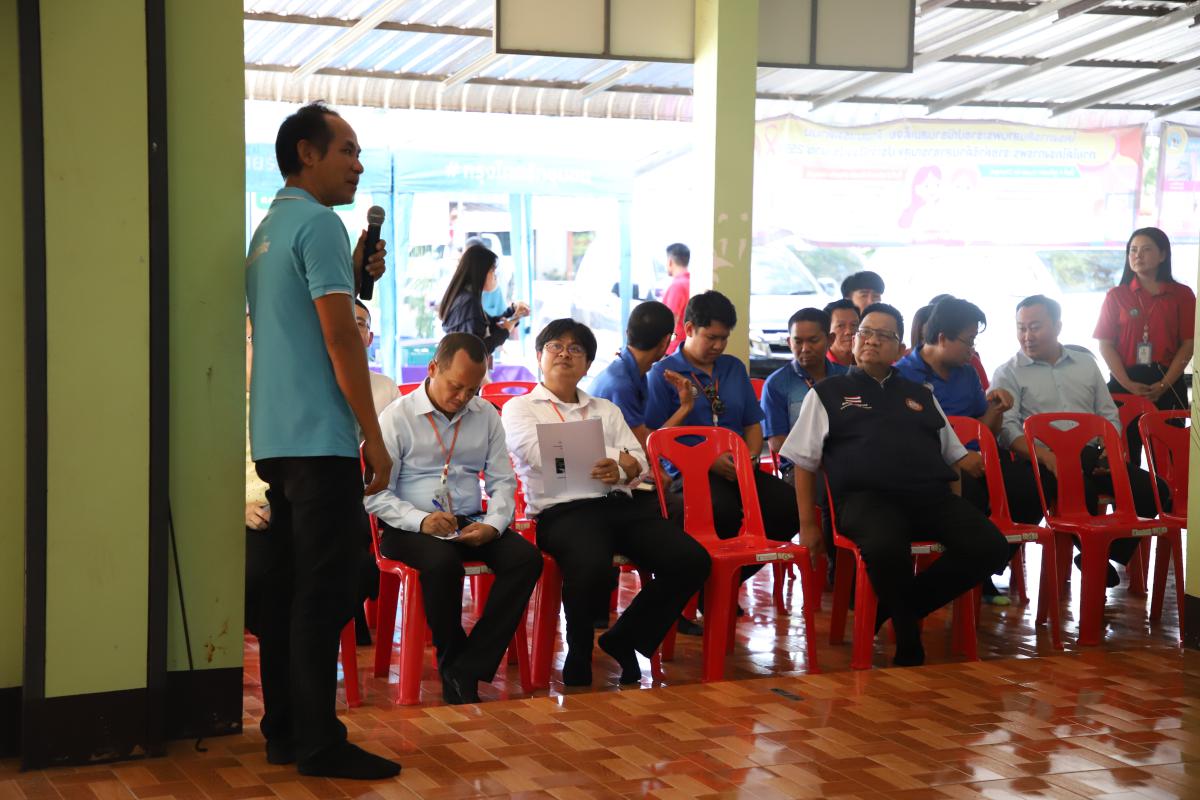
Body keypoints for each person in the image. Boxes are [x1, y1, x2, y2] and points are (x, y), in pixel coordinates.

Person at [245, 102, 400, 779]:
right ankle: (318, 742)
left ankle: (284, 730)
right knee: (327, 588)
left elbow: (302, 324)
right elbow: (341, 339)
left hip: (277, 436)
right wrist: (374, 435)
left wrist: (359, 275)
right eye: (347, 150)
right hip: (319, 437)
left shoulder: (269, 228)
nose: (358, 165)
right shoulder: (319, 223)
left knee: (290, 589)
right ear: (307, 153)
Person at [780, 303, 1009, 667]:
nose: (871, 340)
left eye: (883, 335)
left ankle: (893, 610)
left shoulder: (920, 394)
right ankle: (907, 639)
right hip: (864, 500)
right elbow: (803, 462)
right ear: (854, 340)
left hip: (928, 498)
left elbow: (952, 456)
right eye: (865, 333)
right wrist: (808, 526)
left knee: (991, 546)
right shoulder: (827, 393)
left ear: (900, 348)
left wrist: (956, 507)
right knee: (887, 545)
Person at [502, 319, 711, 687]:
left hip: (619, 505)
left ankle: (625, 638)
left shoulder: (605, 408)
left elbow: (640, 463)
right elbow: (541, 454)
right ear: (538, 356)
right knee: (590, 559)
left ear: (587, 365)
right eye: (555, 346)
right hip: (562, 512)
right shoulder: (520, 408)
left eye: (576, 349)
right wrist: (616, 458)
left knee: (691, 560)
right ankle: (579, 652)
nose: (565, 354)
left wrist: (621, 467)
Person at [364, 333, 542, 705]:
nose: (463, 398)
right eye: (456, 386)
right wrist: (420, 520)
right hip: (407, 525)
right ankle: (453, 662)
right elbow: (376, 495)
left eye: (473, 390)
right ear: (433, 369)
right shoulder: (397, 417)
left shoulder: (485, 415)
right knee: (442, 564)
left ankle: (468, 665)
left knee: (526, 560)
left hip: (467, 519)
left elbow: (503, 482)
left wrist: (493, 524)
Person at [993, 295, 1170, 588]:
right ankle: (1094, 556)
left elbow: (1108, 415)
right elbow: (1007, 430)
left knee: (1153, 489)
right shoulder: (1008, 372)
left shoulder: (1086, 365)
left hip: (1090, 456)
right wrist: (1046, 457)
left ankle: (1101, 556)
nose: (1027, 336)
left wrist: (1108, 449)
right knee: (1078, 492)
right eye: (1021, 328)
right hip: (1042, 460)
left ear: (1057, 326)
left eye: (1035, 327)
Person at [645, 291, 800, 567]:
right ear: (689, 329)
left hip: (738, 468)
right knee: (721, 511)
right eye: (711, 337)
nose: (718, 345)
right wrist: (709, 461)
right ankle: (708, 581)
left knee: (788, 505)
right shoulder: (663, 374)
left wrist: (750, 458)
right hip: (689, 472)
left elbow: (752, 423)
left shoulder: (733, 368)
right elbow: (657, 438)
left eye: (724, 338)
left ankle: (734, 576)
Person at [893, 297, 1030, 605]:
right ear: (943, 338)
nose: (972, 350)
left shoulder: (966, 373)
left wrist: (996, 409)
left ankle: (985, 566)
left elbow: (984, 430)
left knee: (1030, 486)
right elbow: (908, 440)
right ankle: (966, 575)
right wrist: (958, 458)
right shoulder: (902, 377)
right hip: (933, 469)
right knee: (971, 496)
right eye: (968, 341)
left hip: (978, 461)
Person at [589, 300, 696, 632]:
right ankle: (666, 602)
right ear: (666, 342)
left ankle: (665, 599)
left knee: (673, 499)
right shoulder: (620, 382)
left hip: (622, 473)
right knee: (676, 506)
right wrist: (685, 407)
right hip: (606, 482)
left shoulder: (633, 372)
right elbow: (647, 445)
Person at [1094, 227, 1194, 462]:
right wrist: (1127, 383)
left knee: (1168, 459)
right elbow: (1105, 344)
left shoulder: (1182, 294)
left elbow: (1189, 344)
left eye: (1146, 249)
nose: (1137, 255)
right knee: (1125, 457)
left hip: (1167, 382)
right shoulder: (1116, 295)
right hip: (1125, 381)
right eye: (1133, 250)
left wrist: (1164, 385)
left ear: (1163, 255)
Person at [760, 307, 848, 474]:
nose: (805, 348)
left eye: (813, 340)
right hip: (799, 468)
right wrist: (818, 460)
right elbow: (777, 442)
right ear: (789, 342)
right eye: (798, 341)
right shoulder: (776, 384)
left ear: (830, 339)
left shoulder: (847, 377)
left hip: (847, 464)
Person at [438, 244, 529, 358]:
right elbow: (477, 351)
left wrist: (514, 311)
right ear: (480, 272)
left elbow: (487, 326)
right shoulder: (469, 303)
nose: (495, 276)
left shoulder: (465, 298)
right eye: (493, 271)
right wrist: (505, 331)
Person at [353, 299, 400, 415]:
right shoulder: (315, 384)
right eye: (343, 323)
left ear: (370, 338)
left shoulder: (387, 387)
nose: (350, 330)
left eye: (359, 324)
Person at [661, 243, 691, 354]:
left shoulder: (677, 286)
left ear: (670, 261)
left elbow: (670, 320)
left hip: (674, 350)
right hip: (686, 347)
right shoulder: (692, 283)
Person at [824, 299, 859, 367]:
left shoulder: (867, 363)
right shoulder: (819, 366)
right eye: (840, 325)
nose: (849, 331)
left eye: (854, 325)